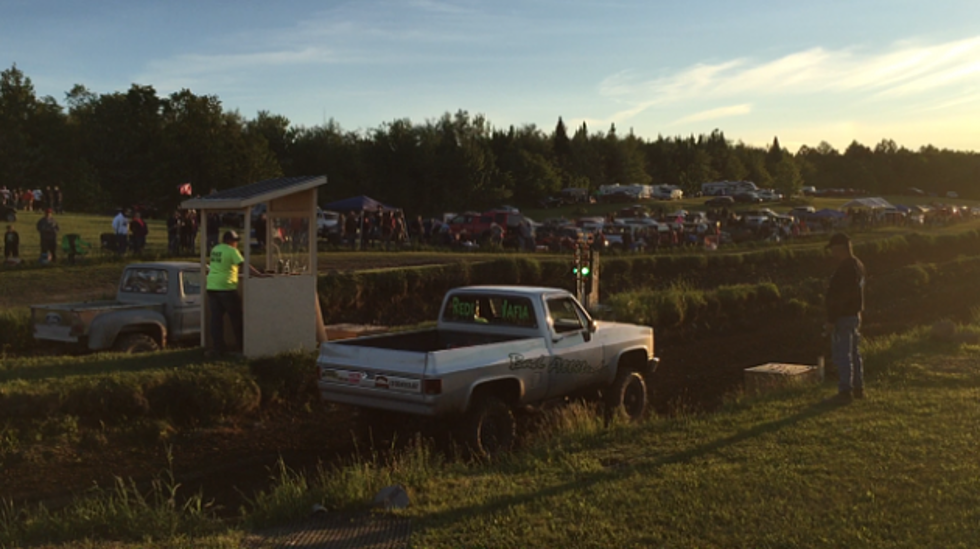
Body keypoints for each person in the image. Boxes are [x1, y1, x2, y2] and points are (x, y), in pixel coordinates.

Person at [206, 230, 266, 355]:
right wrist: (260, 275)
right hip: (226, 288)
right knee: (236, 318)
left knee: (216, 320)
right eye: (235, 241)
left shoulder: (215, 249)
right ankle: (241, 347)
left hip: (212, 287)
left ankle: (218, 348)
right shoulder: (232, 251)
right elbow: (244, 265)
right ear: (229, 241)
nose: (236, 244)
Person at [825, 233, 866, 402]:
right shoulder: (858, 265)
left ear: (839, 249)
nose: (832, 254)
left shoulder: (844, 269)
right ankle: (858, 388)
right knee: (854, 353)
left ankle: (845, 391)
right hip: (855, 315)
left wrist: (831, 320)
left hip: (842, 316)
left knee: (842, 355)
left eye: (833, 250)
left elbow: (838, 298)